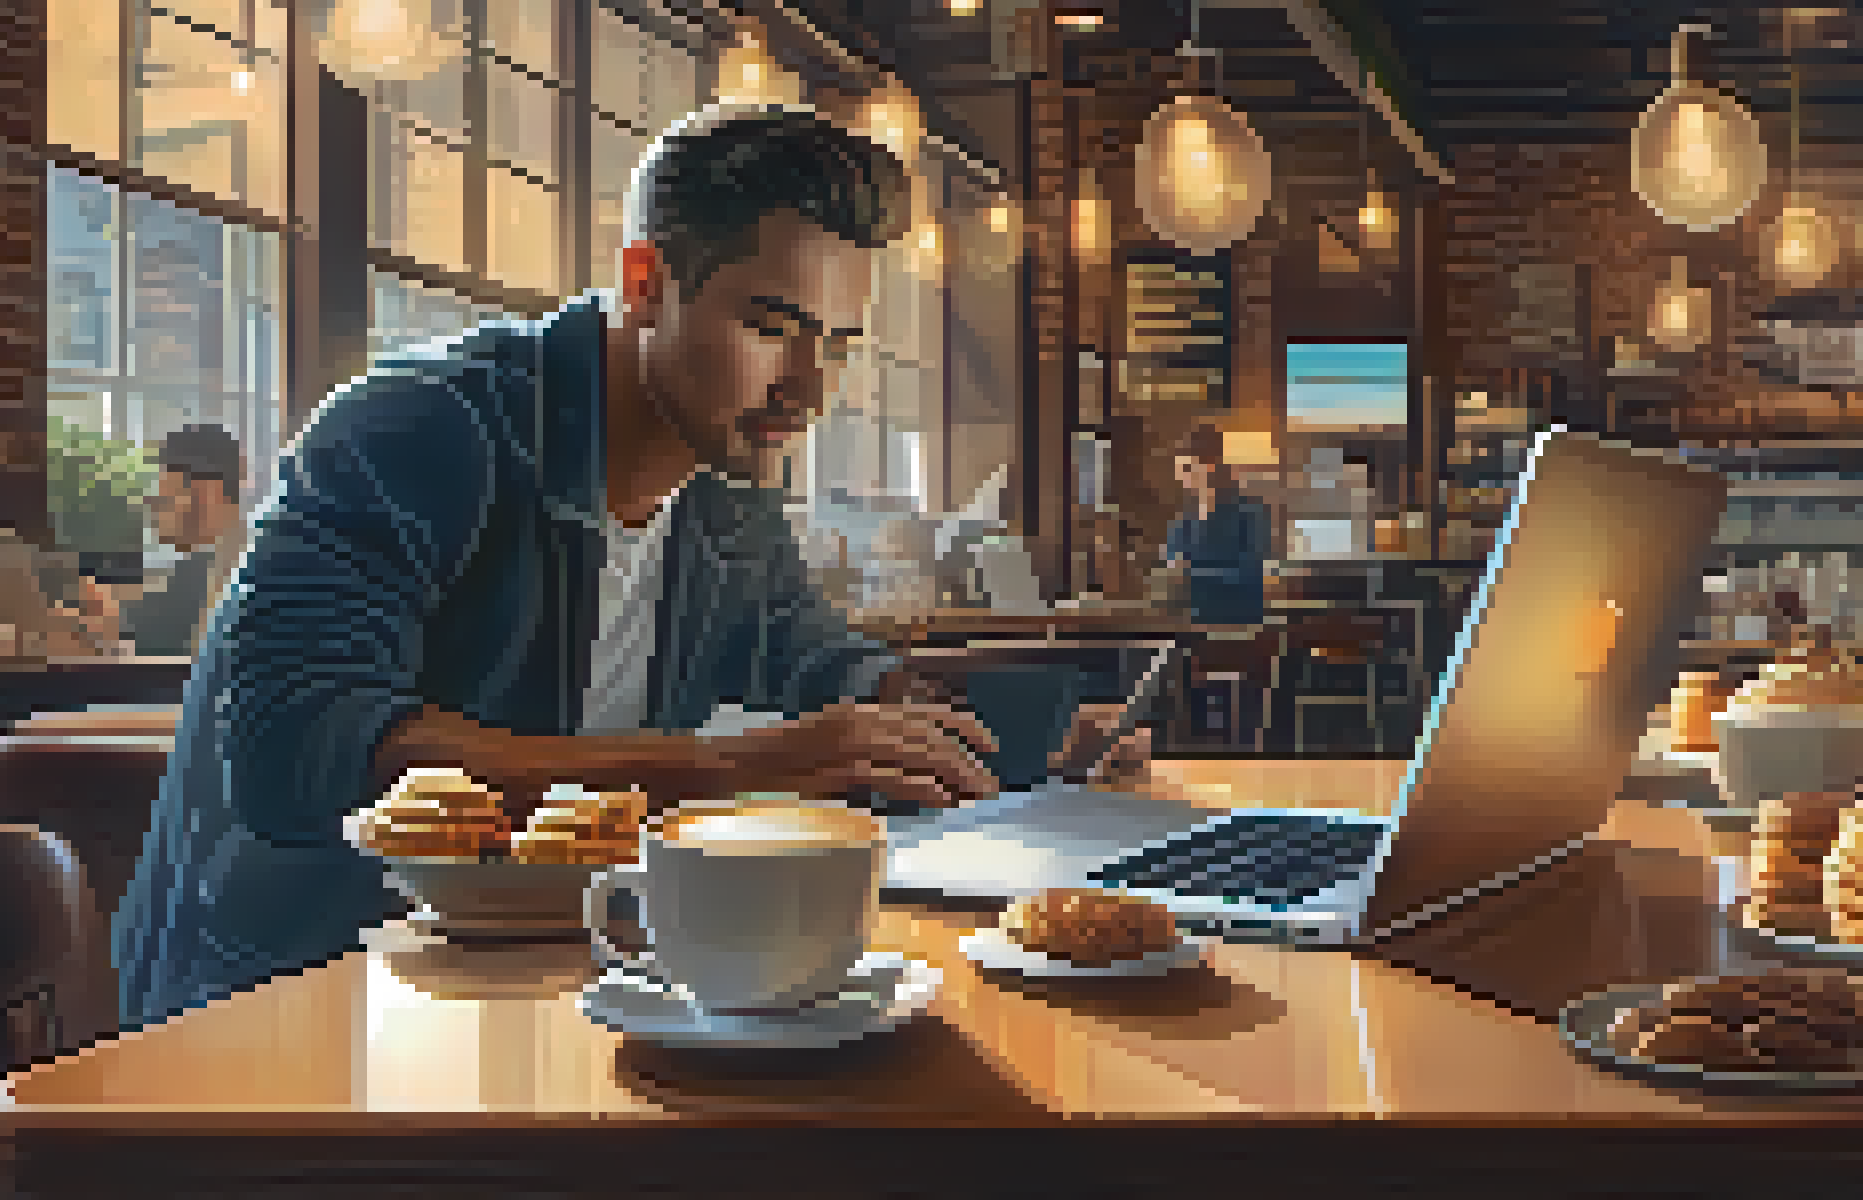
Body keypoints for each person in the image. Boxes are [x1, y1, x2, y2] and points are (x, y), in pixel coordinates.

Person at [111, 105, 1150, 1031]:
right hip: (284, 1006)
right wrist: (733, 770)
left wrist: (997, 736)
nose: (810, 387)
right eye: (772, 326)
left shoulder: (728, 488)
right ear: (646, 284)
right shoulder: (419, 428)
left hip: (546, 987)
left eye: (838, 344)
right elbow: (295, 751)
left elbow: (815, 660)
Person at [59, 425, 250, 657]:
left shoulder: (215, 573)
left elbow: (133, 636)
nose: (152, 511)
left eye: (163, 499)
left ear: (205, 496)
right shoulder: (215, 562)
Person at [1163, 427, 1273, 626]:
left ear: (1210, 466)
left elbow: (1252, 576)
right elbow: (1172, 567)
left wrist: (1190, 574)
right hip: (1189, 623)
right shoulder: (1184, 520)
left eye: (1187, 468)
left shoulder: (1249, 513)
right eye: (1179, 470)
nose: (1181, 477)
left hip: (1237, 624)